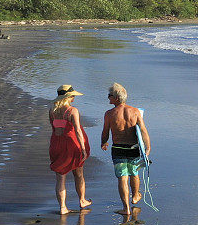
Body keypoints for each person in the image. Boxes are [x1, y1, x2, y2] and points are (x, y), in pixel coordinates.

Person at [101, 82, 151, 216]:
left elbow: (105, 131)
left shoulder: (109, 114)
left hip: (118, 148)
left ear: (116, 97)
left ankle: (126, 208)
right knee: (134, 173)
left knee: (122, 178)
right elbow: (143, 131)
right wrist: (148, 147)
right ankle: (135, 196)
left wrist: (104, 142)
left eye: (109, 95)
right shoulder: (135, 111)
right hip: (133, 148)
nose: (108, 98)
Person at [49, 84, 91, 214]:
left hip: (56, 143)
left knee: (60, 177)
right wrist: (83, 148)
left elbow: (54, 128)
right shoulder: (72, 111)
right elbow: (78, 130)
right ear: (69, 97)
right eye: (72, 95)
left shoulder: (52, 111)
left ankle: (62, 207)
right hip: (71, 144)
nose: (74, 97)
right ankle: (82, 200)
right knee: (79, 174)